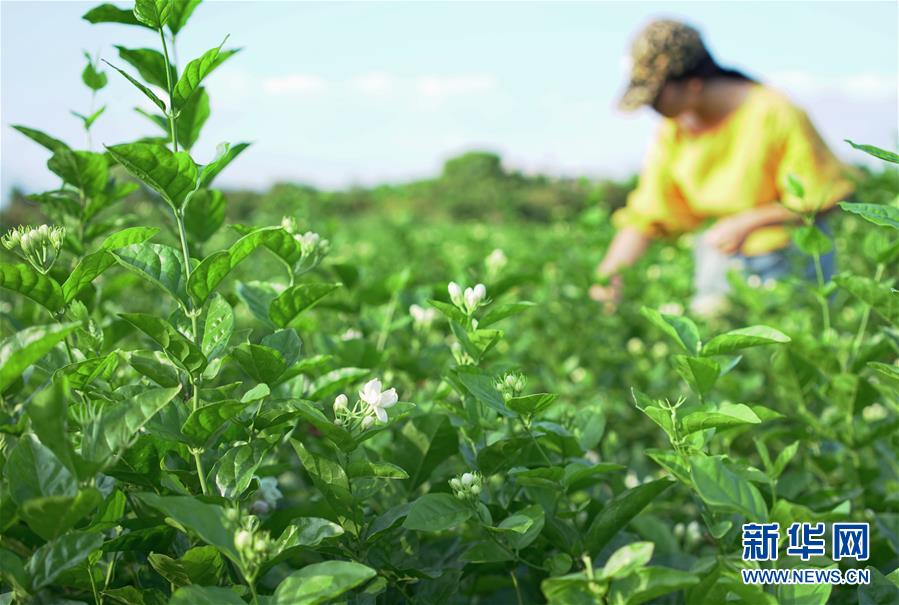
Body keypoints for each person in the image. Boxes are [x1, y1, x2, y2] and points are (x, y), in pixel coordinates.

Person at [590, 19, 854, 314]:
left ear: (693, 84)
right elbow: (649, 214)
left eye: (655, 97)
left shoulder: (772, 112)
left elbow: (826, 196)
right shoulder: (674, 131)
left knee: (792, 345)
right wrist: (610, 276)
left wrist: (750, 221)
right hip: (721, 257)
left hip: (791, 257)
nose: (651, 108)